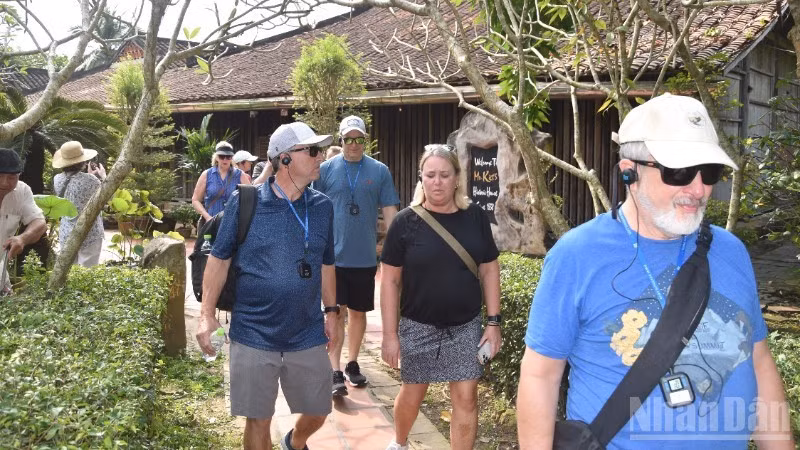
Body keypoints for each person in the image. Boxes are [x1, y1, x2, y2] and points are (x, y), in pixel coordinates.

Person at [517, 94, 794, 449]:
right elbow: (540, 376)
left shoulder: (730, 251)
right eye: (678, 172)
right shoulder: (576, 256)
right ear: (628, 172)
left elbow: (759, 362)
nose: (698, 189)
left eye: (709, 171)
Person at [195, 122, 339, 450]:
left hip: (307, 330)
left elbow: (327, 262)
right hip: (253, 332)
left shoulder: (322, 207)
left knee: (319, 409)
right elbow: (218, 260)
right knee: (258, 418)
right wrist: (207, 315)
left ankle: (295, 441)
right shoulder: (246, 203)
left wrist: (332, 311)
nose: (320, 157)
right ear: (285, 159)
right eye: (313, 151)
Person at [380, 144, 502, 450]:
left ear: (457, 178)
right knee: (413, 392)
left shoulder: (474, 217)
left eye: (444, 175)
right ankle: (399, 442)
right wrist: (389, 335)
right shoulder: (405, 223)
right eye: (430, 174)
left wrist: (493, 322)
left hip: (465, 325)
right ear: (421, 178)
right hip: (418, 325)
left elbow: (489, 269)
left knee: (466, 398)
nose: (437, 181)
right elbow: (390, 281)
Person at [315, 115, 400, 397]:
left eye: (359, 139)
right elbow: (313, 209)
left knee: (359, 313)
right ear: (341, 140)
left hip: (364, 257)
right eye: (348, 139)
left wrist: (397, 247)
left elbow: (390, 212)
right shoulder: (326, 169)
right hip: (333, 259)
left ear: (365, 140)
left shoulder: (379, 171)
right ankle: (334, 369)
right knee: (335, 313)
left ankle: (352, 363)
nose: (353, 144)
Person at [52, 141, 106, 267]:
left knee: (70, 268)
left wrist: (89, 176)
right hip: (89, 231)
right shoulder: (91, 180)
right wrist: (103, 177)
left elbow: (75, 189)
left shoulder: (57, 179)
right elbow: (106, 197)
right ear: (82, 161)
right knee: (87, 269)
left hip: (67, 230)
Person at [0, 149, 46, 293]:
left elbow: (39, 222)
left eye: (12, 177)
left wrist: (22, 238)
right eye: (0, 176)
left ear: (19, 175)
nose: (4, 183)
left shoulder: (22, 191)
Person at [191, 141, 251, 230]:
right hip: (211, 223)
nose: (225, 159)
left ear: (232, 158)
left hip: (233, 225)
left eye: (228, 156)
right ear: (216, 157)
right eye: (222, 156)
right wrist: (207, 217)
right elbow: (195, 200)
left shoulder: (240, 175)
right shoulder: (207, 174)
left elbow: (250, 198)